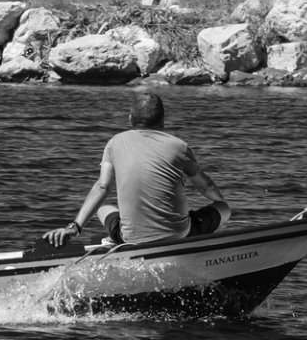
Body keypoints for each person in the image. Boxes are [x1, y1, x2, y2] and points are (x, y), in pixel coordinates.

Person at [44, 92, 230, 248]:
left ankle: (112, 241)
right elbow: (206, 187)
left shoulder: (114, 143)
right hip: (179, 235)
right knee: (223, 208)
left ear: (131, 119)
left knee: (104, 207)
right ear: (163, 119)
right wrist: (221, 202)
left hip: (130, 239)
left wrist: (74, 227)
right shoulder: (179, 147)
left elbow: (102, 187)